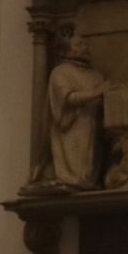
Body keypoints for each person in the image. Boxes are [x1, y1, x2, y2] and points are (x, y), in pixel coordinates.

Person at [40, 35, 106, 190]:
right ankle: (71, 178)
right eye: (80, 44)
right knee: (75, 160)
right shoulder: (60, 73)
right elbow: (67, 99)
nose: (85, 47)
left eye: (86, 43)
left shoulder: (96, 75)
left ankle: (88, 180)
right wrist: (96, 93)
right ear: (66, 50)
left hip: (92, 123)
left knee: (89, 160)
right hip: (71, 127)